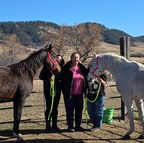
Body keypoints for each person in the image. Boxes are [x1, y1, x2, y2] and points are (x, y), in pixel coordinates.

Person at [61, 52, 88, 132]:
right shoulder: (66, 68)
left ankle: (78, 126)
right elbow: (62, 80)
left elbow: (87, 75)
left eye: (77, 57)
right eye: (74, 57)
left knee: (79, 110)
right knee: (70, 110)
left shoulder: (82, 68)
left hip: (80, 94)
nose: (75, 59)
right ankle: (70, 126)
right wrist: (64, 90)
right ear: (71, 58)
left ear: (79, 59)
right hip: (69, 94)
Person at [39, 54, 65, 133]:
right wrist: (48, 75)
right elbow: (41, 77)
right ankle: (48, 125)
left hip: (57, 91)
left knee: (55, 108)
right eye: (57, 58)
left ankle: (55, 125)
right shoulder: (47, 68)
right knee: (49, 108)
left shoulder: (62, 69)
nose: (58, 59)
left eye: (60, 59)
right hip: (48, 91)